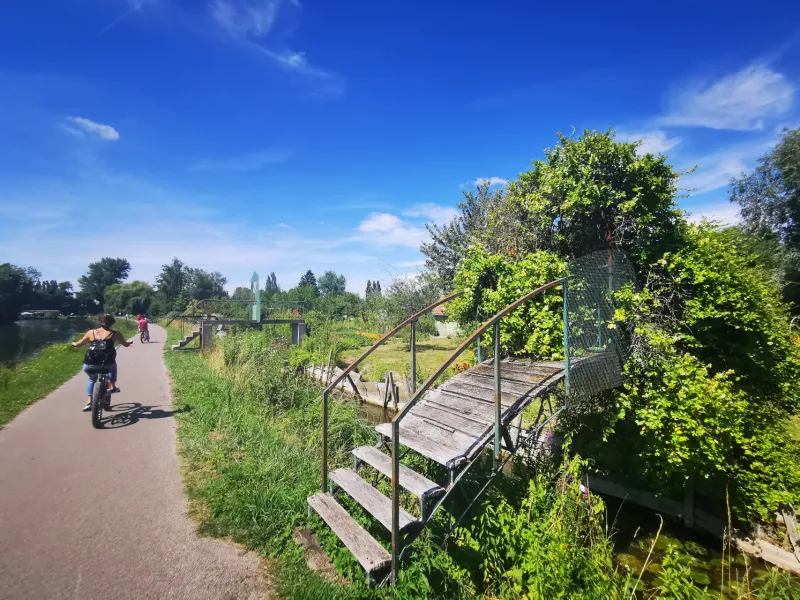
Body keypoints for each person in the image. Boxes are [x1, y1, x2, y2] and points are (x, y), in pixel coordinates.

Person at [72, 314, 133, 412]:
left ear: (100, 322)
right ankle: (113, 386)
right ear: (112, 323)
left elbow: (79, 343)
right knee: (113, 366)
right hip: (107, 364)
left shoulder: (91, 332)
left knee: (92, 379)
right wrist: (129, 343)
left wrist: (74, 344)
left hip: (90, 364)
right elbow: (125, 344)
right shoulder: (116, 334)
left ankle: (89, 402)